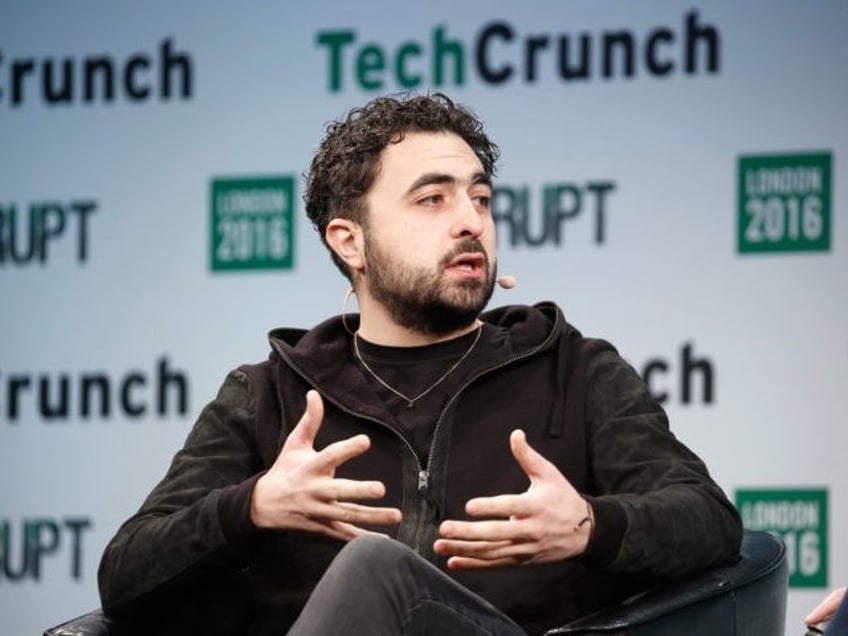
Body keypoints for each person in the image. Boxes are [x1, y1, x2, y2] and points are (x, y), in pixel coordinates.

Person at [97, 93, 742, 635]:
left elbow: (709, 521)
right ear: (349, 241)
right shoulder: (270, 395)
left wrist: (591, 527)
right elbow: (125, 572)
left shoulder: (572, 370)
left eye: (481, 199)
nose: (471, 222)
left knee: (376, 568)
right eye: (433, 200)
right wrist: (254, 506)